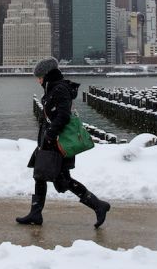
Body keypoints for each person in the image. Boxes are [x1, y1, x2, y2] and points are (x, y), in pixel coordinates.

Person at [16, 57, 111, 228]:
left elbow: (63, 116)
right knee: (40, 176)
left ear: (46, 75)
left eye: (39, 77)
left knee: (63, 180)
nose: (38, 80)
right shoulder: (54, 88)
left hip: (56, 143)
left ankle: (98, 206)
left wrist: (51, 135)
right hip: (48, 142)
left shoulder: (59, 89)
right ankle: (36, 214)